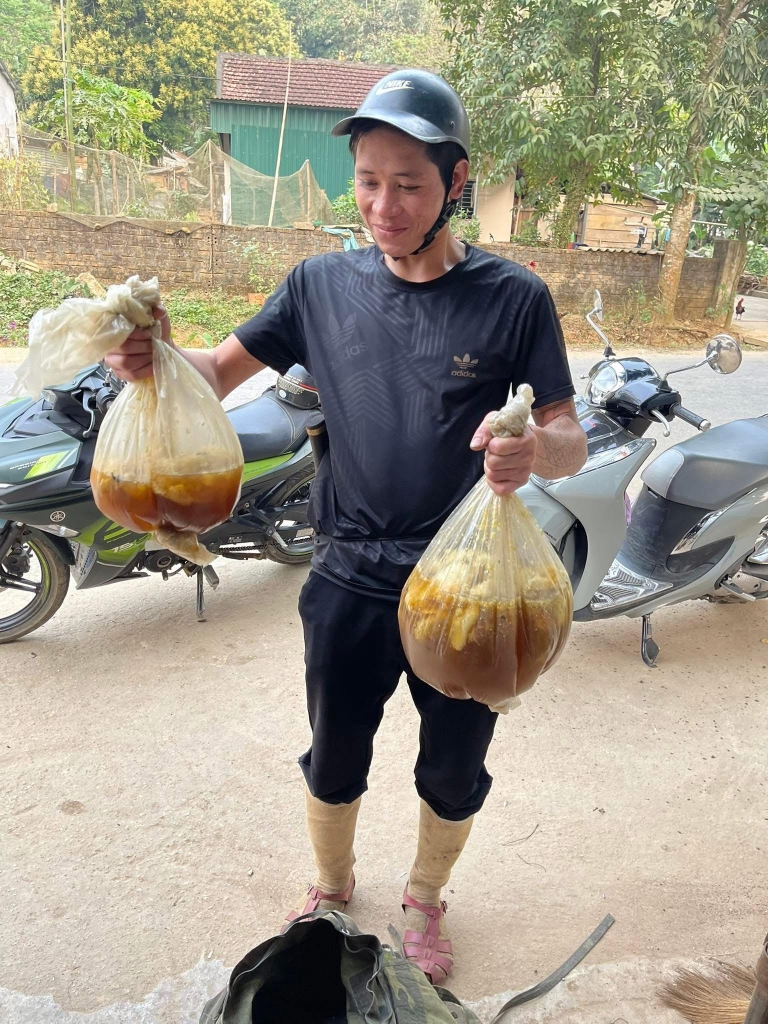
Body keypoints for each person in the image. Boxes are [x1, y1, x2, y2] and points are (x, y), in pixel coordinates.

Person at [106, 70, 588, 985]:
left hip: (465, 589)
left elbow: (568, 433)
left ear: (455, 182)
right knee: (334, 752)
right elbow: (214, 372)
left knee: (454, 765)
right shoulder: (319, 285)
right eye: (368, 180)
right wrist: (149, 354)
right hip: (346, 574)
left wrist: (535, 453)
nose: (383, 206)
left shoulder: (514, 297)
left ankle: (425, 898)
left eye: (408, 184)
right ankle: (332, 886)